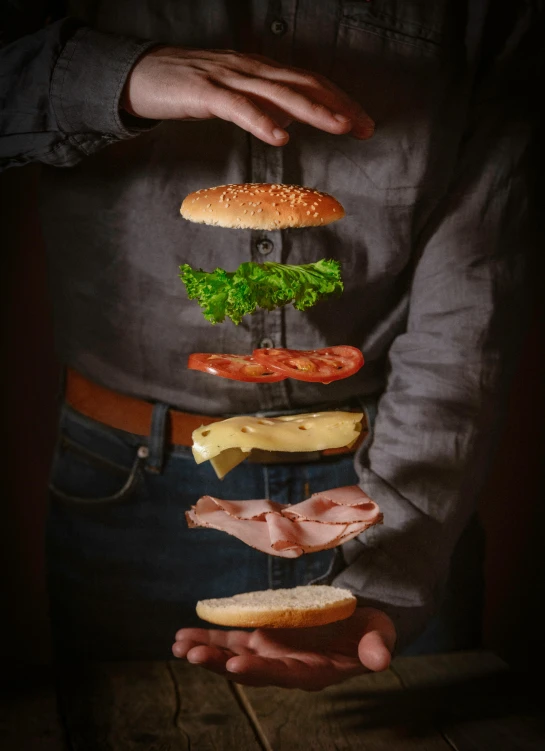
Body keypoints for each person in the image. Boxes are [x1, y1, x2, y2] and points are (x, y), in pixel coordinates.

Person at [0, 1, 540, 690]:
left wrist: (395, 563)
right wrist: (117, 74)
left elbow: (474, 300)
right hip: (132, 481)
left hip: (397, 474)